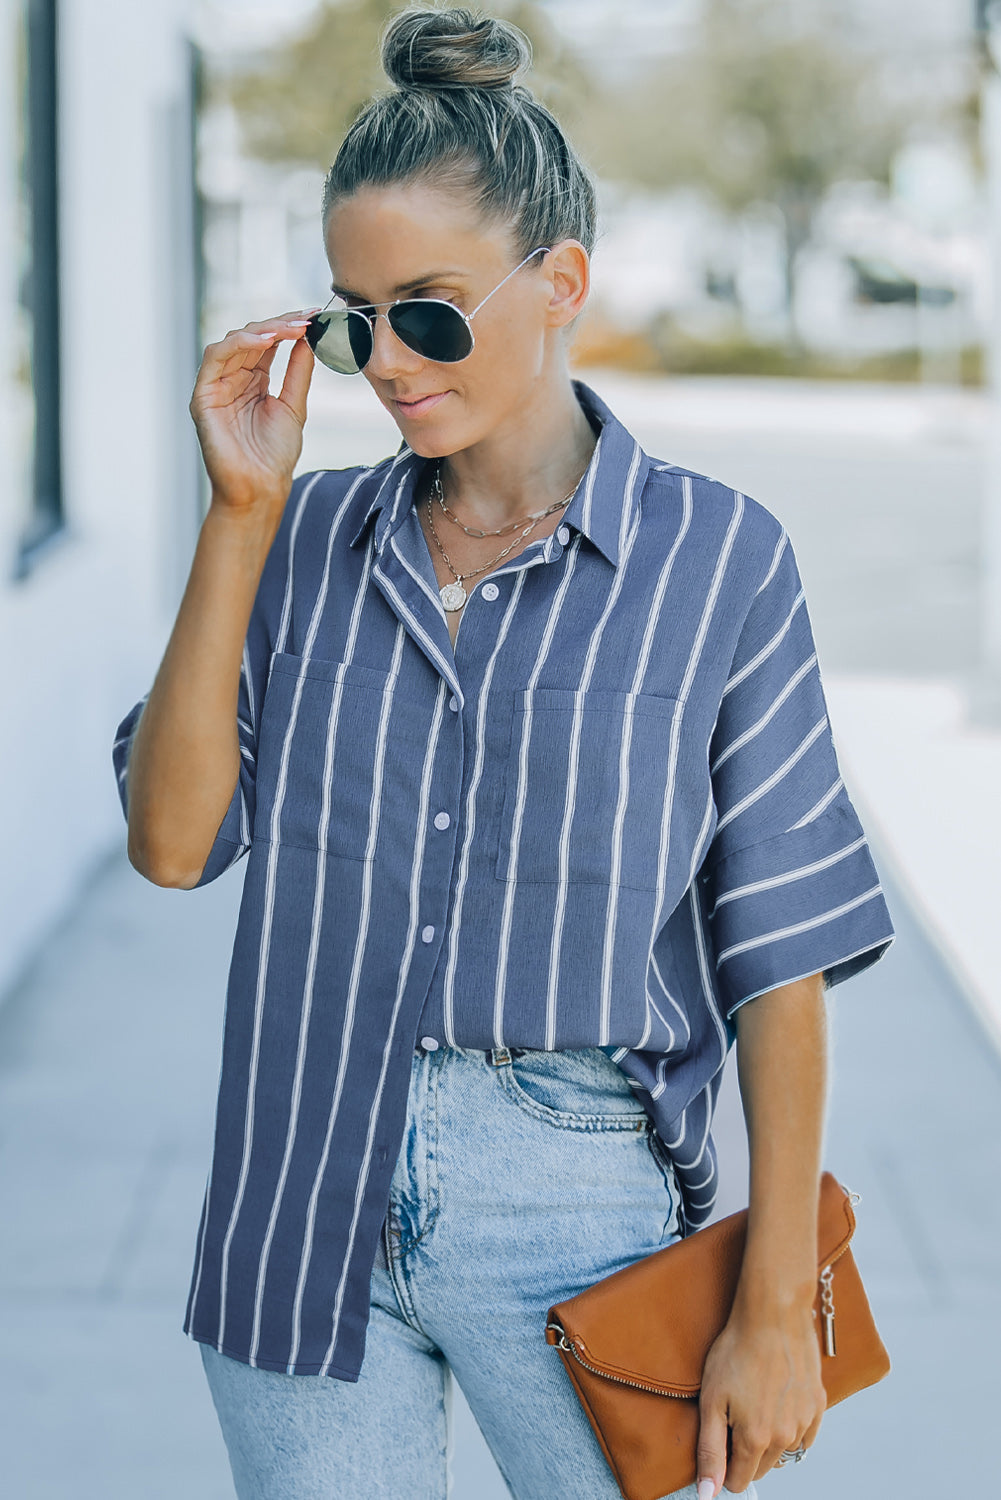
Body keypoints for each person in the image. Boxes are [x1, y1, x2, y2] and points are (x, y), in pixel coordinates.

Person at [111, 8, 894, 1499]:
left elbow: (776, 955)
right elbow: (172, 843)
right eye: (354, 319)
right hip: (298, 1194)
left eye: (430, 309)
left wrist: (775, 1303)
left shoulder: (717, 559)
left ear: (561, 286)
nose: (388, 363)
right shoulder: (306, 543)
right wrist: (236, 517)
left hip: (580, 1214)